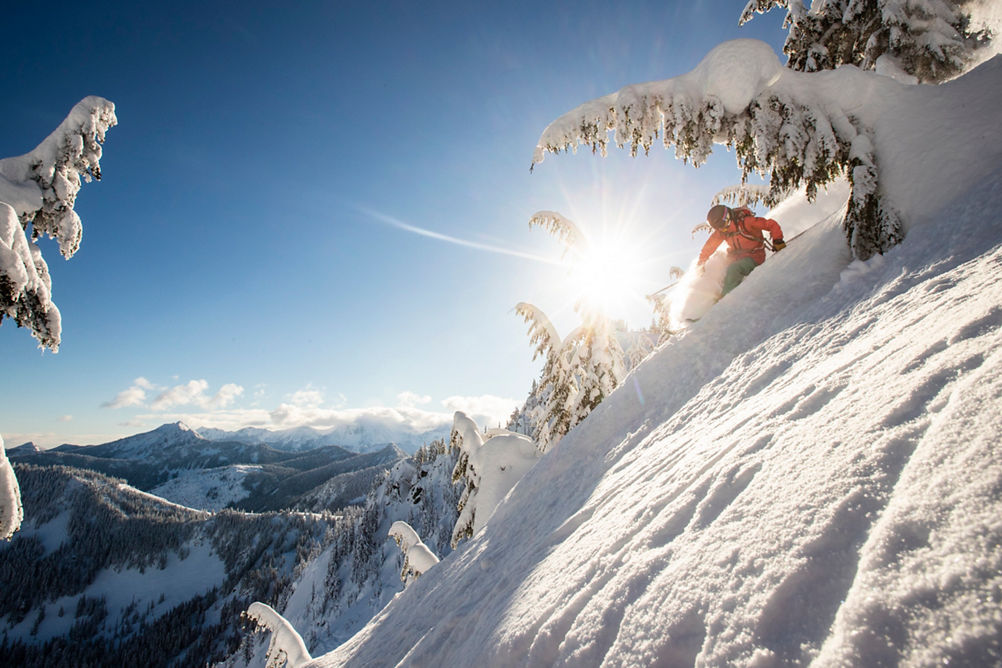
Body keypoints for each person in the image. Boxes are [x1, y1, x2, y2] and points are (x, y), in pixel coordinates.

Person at [697, 204, 786, 296]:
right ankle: (713, 295)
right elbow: (709, 247)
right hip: (736, 257)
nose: (724, 229)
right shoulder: (723, 231)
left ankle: (726, 298)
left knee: (733, 269)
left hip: (754, 257)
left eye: (724, 224)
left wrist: (777, 240)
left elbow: (771, 224)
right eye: (720, 228)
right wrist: (701, 262)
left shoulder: (746, 222)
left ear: (728, 216)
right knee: (718, 266)